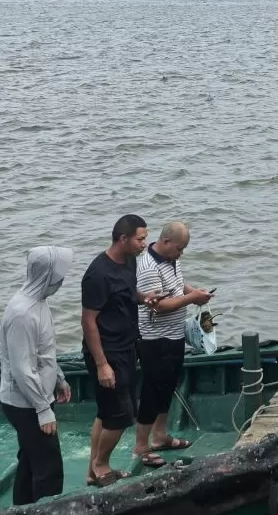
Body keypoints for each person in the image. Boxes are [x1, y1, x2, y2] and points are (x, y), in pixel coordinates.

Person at [81, 214, 159, 488]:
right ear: (123, 239)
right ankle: (100, 465)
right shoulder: (98, 274)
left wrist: (143, 298)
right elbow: (88, 321)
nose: (144, 244)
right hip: (106, 351)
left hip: (128, 346)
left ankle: (94, 469)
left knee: (106, 412)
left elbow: (128, 291)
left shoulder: (130, 261)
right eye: (140, 239)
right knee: (120, 416)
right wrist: (102, 364)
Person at [134, 222, 213, 465]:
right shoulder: (148, 266)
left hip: (175, 335)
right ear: (166, 242)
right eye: (180, 248)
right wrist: (191, 298)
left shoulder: (171, 259)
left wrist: (194, 292)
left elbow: (177, 288)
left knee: (168, 386)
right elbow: (158, 305)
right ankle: (141, 446)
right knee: (152, 390)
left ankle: (160, 436)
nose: (181, 254)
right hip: (154, 338)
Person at [0, 247, 74, 505]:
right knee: (48, 466)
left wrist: (59, 378)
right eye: (59, 276)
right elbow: (22, 369)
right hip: (25, 403)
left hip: (37, 395)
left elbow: (44, 353)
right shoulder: (22, 313)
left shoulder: (39, 303)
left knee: (31, 458)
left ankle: (23, 507)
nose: (62, 282)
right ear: (47, 276)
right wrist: (43, 408)